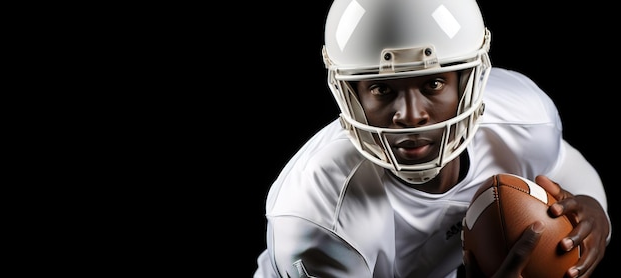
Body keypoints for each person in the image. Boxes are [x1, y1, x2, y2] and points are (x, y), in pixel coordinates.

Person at [254, 0, 611, 277]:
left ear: (465, 84)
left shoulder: (521, 121)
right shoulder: (319, 218)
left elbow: (571, 172)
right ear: (352, 96)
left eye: (433, 83)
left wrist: (592, 214)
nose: (410, 115)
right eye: (381, 87)